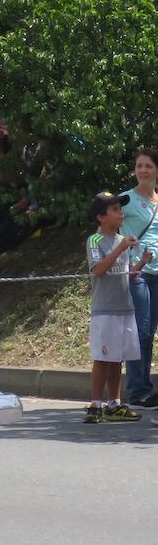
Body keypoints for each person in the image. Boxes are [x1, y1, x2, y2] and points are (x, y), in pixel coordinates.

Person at [85, 191, 148, 423]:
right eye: (115, 210)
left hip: (125, 307)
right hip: (105, 308)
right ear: (101, 217)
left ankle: (114, 404)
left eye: (120, 209)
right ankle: (94, 405)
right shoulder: (95, 241)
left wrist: (142, 262)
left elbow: (128, 273)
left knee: (116, 358)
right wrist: (120, 248)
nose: (120, 214)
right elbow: (99, 270)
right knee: (102, 358)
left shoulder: (122, 240)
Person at [120, 148, 158, 408]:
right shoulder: (124, 199)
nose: (142, 171)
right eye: (138, 166)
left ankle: (145, 388)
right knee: (141, 332)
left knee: (151, 332)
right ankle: (138, 390)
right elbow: (108, 230)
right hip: (138, 273)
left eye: (148, 166)